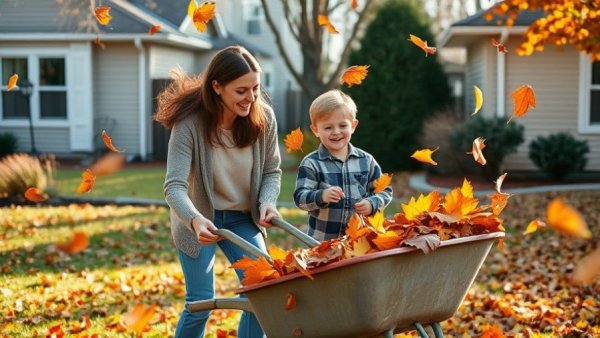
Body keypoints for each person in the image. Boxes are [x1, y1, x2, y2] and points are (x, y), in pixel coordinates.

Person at [154, 46, 281, 338]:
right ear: (217, 87)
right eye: (241, 91)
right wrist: (194, 220)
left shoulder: (265, 119)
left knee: (260, 293)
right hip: (198, 220)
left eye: (256, 88)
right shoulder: (190, 124)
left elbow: (272, 171)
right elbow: (173, 186)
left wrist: (267, 202)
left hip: (242, 218)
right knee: (200, 302)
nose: (251, 98)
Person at [293, 89, 393, 241]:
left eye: (343, 126)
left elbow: (385, 190)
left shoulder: (366, 161)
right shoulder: (311, 163)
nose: (336, 132)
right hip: (322, 244)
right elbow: (300, 198)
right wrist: (322, 196)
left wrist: (372, 203)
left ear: (353, 125)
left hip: (359, 241)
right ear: (315, 130)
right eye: (328, 127)